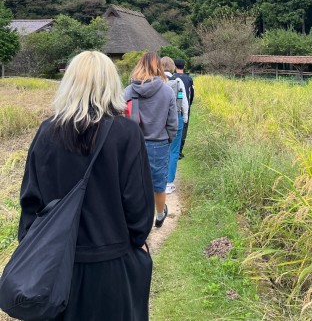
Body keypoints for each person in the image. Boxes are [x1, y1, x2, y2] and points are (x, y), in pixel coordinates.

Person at [18, 50, 154, 321]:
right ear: (111, 84)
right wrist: (137, 239)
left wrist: (34, 249)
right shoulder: (126, 133)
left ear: (69, 83)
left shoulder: (47, 133)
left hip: (56, 268)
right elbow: (138, 205)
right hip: (112, 264)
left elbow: (31, 202)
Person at [124, 52, 178, 227]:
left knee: (135, 182)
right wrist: (169, 139)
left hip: (133, 143)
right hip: (158, 143)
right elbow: (172, 122)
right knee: (158, 183)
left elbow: (120, 118)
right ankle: (160, 214)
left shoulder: (129, 90)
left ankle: (138, 219)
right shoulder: (167, 91)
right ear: (159, 67)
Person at [160, 56, 188, 194]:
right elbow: (183, 102)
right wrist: (185, 118)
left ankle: (157, 179)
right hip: (176, 118)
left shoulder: (155, 81)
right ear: (172, 67)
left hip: (158, 120)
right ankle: (169, 182)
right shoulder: (177, 81)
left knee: (159, 149)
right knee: (174, 150)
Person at [173, 58, 194, 159]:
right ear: (184, 67)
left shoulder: (172, 77)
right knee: (184, 127)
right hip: (185, 105)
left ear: (174, 66)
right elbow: (192, 93)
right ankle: (179, 151)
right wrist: (189, 104)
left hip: (173, 105)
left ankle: (172, 148)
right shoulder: (188, 79)